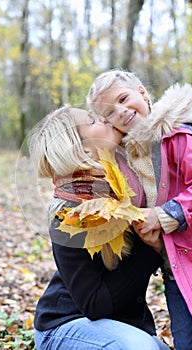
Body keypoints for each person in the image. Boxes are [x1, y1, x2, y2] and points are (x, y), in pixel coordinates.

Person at [28, 105, 170, 350]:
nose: (104, 120)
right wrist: (151, 250)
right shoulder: (70, 212)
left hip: (121, 325)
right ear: (84, 148)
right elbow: (93, 304)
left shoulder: (125, 183)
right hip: (65, 325)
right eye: (93, 121)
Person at [87, 68, 192, 350]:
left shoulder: (177, 135)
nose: (121, 111)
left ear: (142, 92)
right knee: (186, 342)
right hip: (175, 269)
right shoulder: (132, 157)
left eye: (123, 98)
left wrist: (167, 214)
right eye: (109, 113)